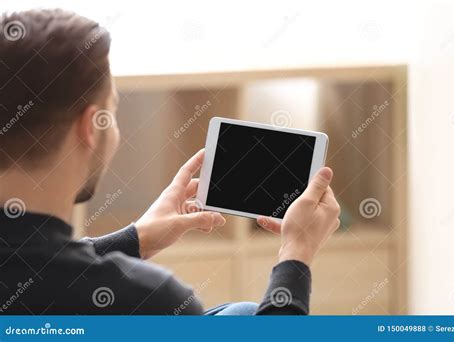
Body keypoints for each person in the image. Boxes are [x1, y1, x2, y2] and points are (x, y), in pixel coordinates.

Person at [0, 9, 340, 315]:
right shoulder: (148, 301)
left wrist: (136, 238)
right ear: (91, 127)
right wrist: (297, 252)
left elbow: (34, 266)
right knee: (246, 314)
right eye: (112, 112)